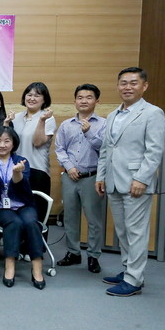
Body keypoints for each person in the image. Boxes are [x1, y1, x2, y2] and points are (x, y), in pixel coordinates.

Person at [96, 67, 165, 297]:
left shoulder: (153, 113)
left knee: (136, 232)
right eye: (123, 83)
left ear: (144, 86)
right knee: (123, 230)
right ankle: (129, 270)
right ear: (118, 86)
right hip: (114, 180)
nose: (127, 87)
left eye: (133, 83)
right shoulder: (113, 115)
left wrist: (141, 179)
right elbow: (106, 149)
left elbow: (154, 151)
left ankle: (134, 279)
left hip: (136, 183)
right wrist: (100, 176)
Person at [0, 126, 46, 290]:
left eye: (7, 141)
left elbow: (25, 190)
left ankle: (37, 266)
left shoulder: (21, 161)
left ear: (13, 143)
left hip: (22, 204)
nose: (2, 145)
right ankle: (10, 265)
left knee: (31, 222)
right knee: (14, 223)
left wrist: (17, 174)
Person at [54, 84, 106, 273]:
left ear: (97, 101)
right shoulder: (66, 125)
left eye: (89, 97)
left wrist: (89, 132)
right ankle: (73, 252)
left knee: (93, 219)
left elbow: (105, 149)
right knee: (70, 217)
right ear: (75, 101)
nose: (84, 101)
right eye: (80, 97)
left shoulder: (104, 124)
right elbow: (60, 149)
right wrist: (69, 167)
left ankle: (93, 256)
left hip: (92, 177)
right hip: (70, 177)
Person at [11, 82, 56, 195]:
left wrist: (42, 120)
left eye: (37, 96)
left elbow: (37, 142)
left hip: (37, 170)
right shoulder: (16, 118)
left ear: (44, 100)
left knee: (37, 205)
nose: (32, 98)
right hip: (16, 170)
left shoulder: (48, 119)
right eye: (29, 95)